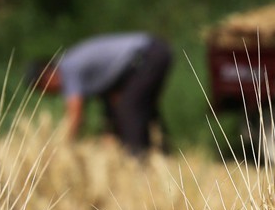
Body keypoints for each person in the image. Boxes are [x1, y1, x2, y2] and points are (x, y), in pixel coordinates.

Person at [27, 32, 172, 155]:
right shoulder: (83, 72)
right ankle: (163, 155)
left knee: (128, 108)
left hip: (148, 56)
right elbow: (111, 101)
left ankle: (140, 162)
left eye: (42, 89)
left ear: (48, 76)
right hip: (150, 55)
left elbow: (76, 114)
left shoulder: (68, 68)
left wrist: (63, 148)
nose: (47, 94)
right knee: (140, 109)